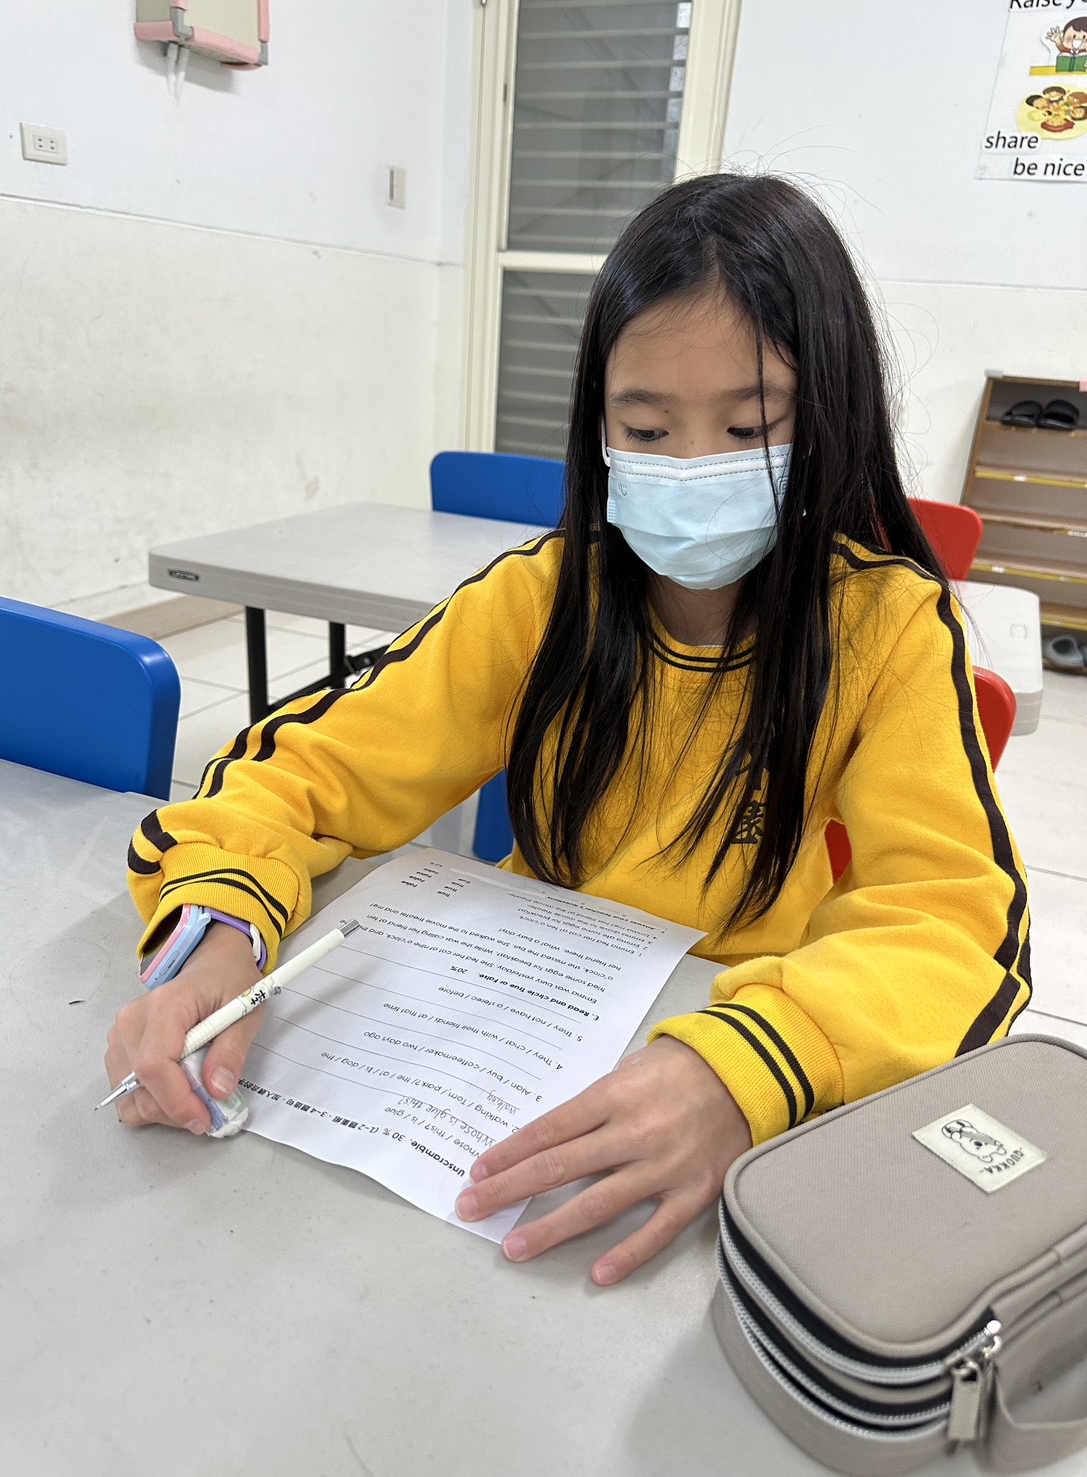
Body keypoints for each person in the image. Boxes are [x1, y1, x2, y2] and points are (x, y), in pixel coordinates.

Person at [105, 172, 1031, 1286]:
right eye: (646, 427)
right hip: (509, 1033)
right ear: (598, 425)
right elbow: (302, 769)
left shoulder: (885, 631)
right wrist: (221, 930)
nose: (691, 467)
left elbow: (954, 925)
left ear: (827, 414)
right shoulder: (540, 600)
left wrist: (749, 1066)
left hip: (724, 1052)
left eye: (749, 428)